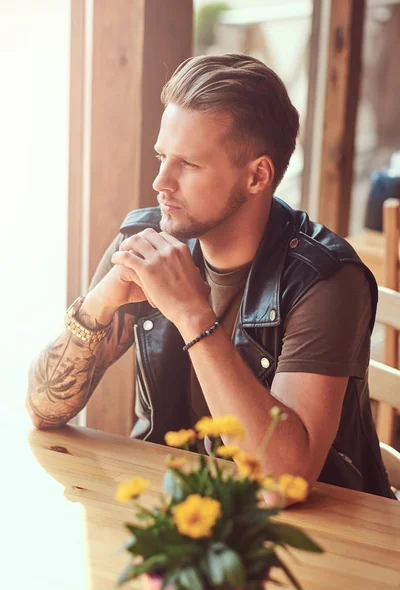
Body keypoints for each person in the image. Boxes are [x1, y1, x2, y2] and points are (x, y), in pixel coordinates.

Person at [26, 54, 393, 499]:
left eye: (189, 164)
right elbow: (44, 410)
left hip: (315, 542)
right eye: (162, 156)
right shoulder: (146, 243)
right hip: (180, 512)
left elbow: (284, 482)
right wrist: (99, 304)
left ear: (258, 175)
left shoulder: (324, 280)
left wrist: (191, 313)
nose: (161, 180)